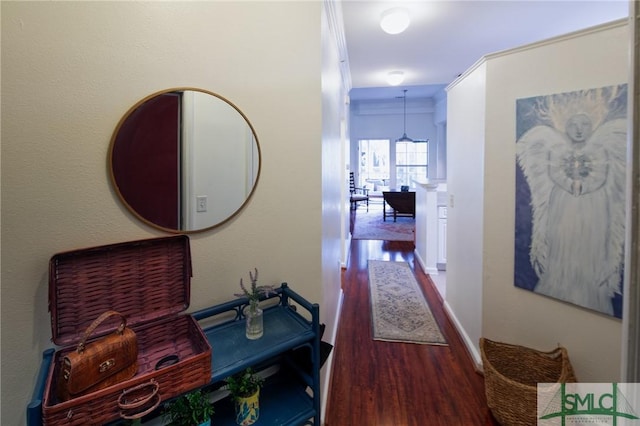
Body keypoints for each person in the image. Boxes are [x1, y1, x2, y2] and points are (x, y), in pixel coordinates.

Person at [516, 108, 626, 316]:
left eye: (584, 124)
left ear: (591, 127)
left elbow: (601, 175)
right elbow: (555, 173)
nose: (578, 130)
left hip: (594, 207)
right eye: (574, 124)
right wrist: (570, 185)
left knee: (590, 244)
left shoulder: (600, 150)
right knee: (562, 241)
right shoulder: (555, 150)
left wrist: (584, 188)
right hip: (563, 203)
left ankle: (589, 288)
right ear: (565, 127)